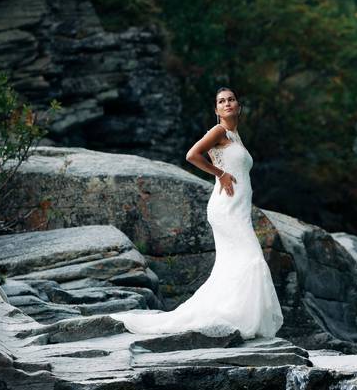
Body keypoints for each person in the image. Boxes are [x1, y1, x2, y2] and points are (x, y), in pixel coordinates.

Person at [111, 87, 284, 340]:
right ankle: (238, 318)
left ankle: (231, 316)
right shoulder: (218, 131)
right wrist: (220, 174)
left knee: (233, 263)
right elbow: (192, 155)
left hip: (239, 209)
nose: (227, 104)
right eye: (221, 101)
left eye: (231, 100)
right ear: (216, 110)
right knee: (252, 259)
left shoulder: (236, 136)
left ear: (239, 106)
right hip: (226, 208)